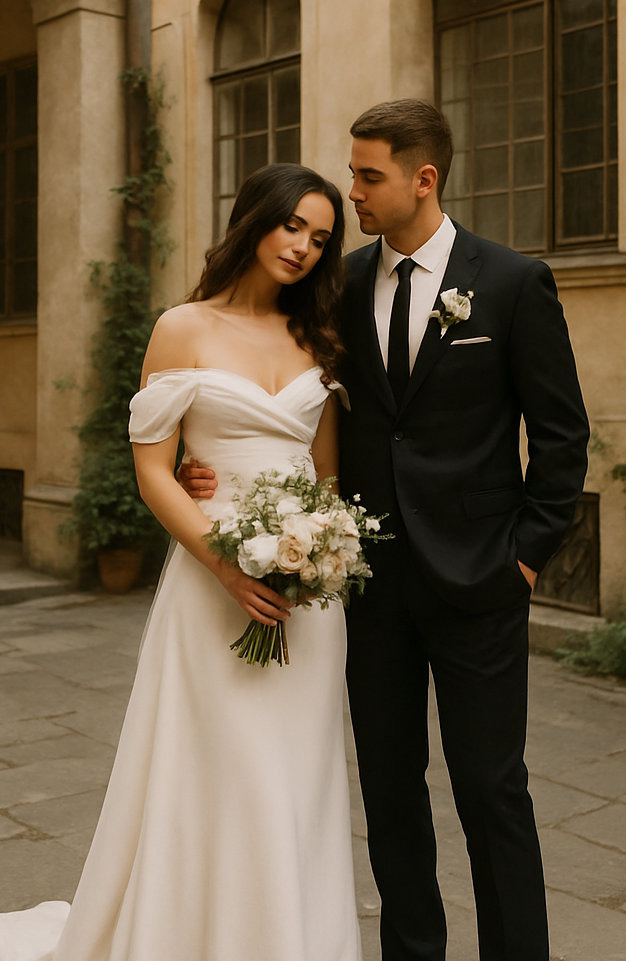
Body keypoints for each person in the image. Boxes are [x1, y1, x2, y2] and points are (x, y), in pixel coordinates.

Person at [0, 162, 361, 961]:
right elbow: (151, 469)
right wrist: (228, 565)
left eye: (320, 237)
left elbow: (325, 470)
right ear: (254, 222)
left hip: (307, 598)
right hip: (213, 585)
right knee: (224, 768)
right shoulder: (184, 327)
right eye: (292, 227)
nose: (305, 248)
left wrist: (318, 551)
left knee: (295, 778)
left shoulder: (317, 336)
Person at [182, 100, 589, 961]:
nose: (355, 192)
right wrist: (208, 467)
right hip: (368, 589)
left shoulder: (514, 282)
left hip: (483, 582)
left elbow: (562, 438)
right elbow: (292, 407)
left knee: (491, 791)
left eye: (369, 176)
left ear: (423, 178)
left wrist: (525, 560)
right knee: (393, 797)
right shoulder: (337, 286)